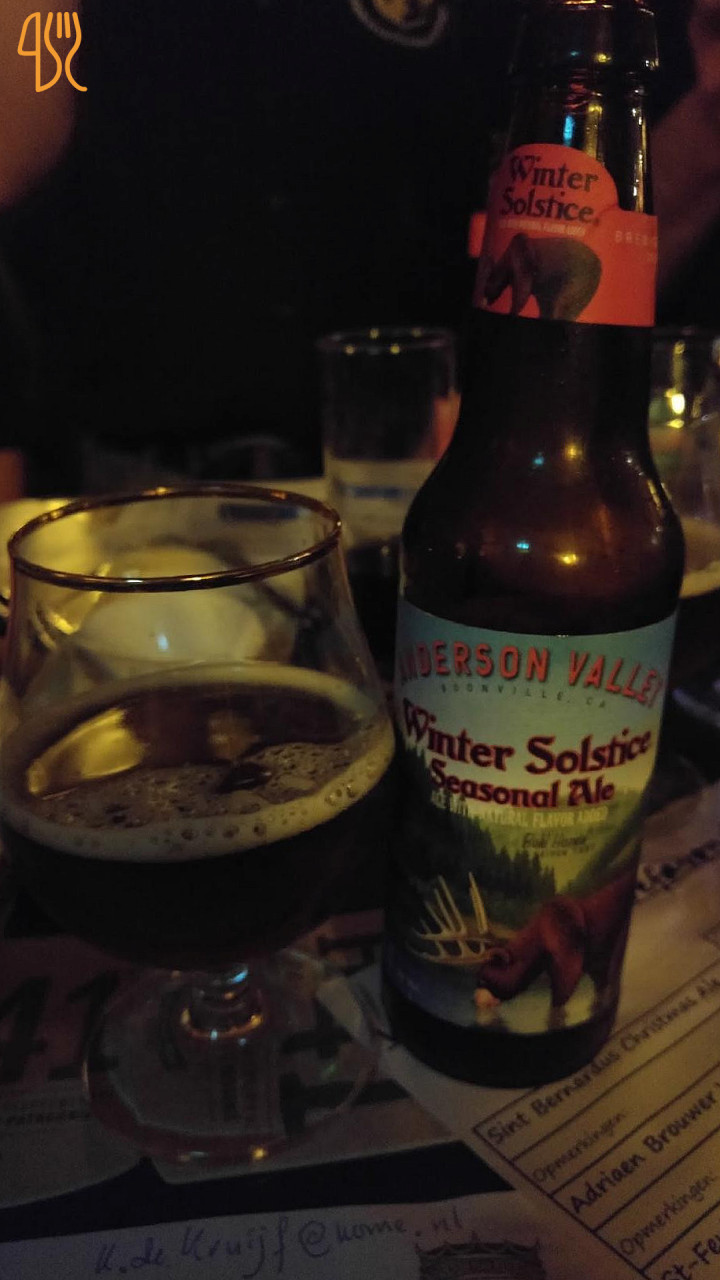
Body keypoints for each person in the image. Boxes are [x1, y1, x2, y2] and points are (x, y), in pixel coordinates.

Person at [0, 0, 709, 494]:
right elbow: (21, 128)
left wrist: (709, 113)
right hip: (134, 503)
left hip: (429, 485)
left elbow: (587, 219)